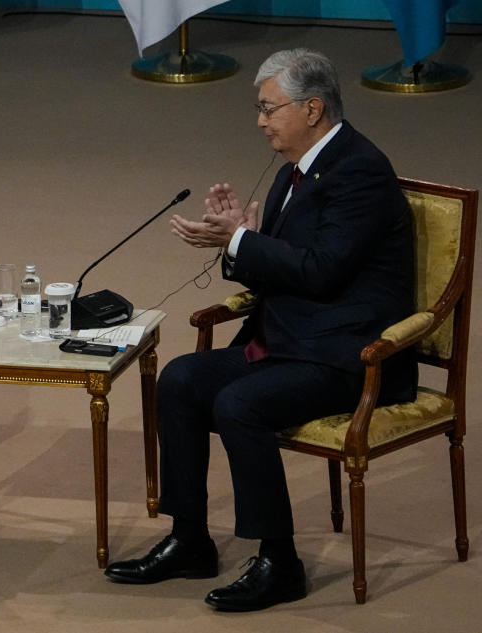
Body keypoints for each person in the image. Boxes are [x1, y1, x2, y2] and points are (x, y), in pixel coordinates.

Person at [103, 49, 416, 611]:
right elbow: (285, 263)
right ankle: (190, 539)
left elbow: (321, 269)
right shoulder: (293, 172)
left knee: (239, 404)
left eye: (269, 108)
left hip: (347, 356)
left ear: (313, 108)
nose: (260, 121)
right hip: (289, 340)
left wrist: (242, 241)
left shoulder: (359, 172)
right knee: (179, 380)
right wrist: (239, 242)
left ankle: (280, 562)